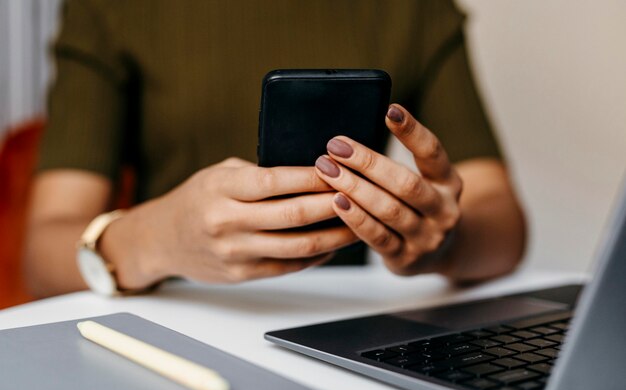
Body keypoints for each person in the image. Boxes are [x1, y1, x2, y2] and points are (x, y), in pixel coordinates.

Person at [25, 0, 526, 298]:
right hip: (177, 319)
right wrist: (158, 239)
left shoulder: (409, 8)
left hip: (344, 323)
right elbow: (42, 254)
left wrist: (443, 242)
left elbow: (501, 220)